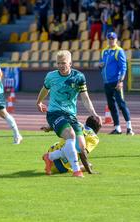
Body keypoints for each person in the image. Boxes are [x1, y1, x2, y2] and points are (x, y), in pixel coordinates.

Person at [36, 50, 102, 178]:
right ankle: (77, 171)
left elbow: (85, 97)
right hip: (54, 113)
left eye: (64, 63)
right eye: (58, 63)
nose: (61, 66)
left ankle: (49, 157)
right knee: (70, 135)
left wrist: (94, 113)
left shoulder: (79, 77)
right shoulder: (51, 76)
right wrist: (39, 102)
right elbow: (45, 90)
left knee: (81, 147)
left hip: (70, 115)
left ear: (70, 63)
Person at [99, 32, 134, 135]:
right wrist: (100, 65)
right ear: (107, 39)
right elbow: (102, 64)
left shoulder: (119, 51)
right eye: (109, 38)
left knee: (121, 105)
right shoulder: (104, 51)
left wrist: (121, 81)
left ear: (116, 39)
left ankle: (129, 128)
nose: (111, 40)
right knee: (111, 106)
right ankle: (117, 128)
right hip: (107, 83)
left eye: (113, 39)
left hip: (116, 82)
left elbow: (123, 68)